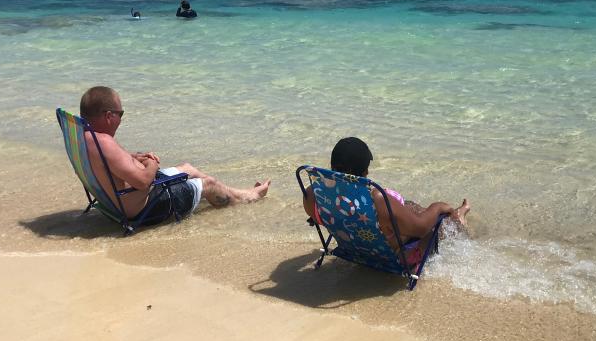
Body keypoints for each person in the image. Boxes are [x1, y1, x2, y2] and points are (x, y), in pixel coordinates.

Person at [79, 86, 269, 224]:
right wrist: (151, 163)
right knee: (209, 184)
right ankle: (247, 198)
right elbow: (143, 182)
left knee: (188, 168)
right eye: (121, 114)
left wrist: (135, 157)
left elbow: (111, 161)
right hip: (142, 207)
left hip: (120, 200)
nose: (121, 119)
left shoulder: (86, 137)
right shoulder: (104, 143)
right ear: (109, 116)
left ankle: (243, 194)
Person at [302, 137, 469, 264]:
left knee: (408, 205)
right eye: (367, 166)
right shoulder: (377, 199)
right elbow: (420, 229)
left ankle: (452, 213)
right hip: (389, 254)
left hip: (355, 247)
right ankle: (457, 217)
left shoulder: (314, 194)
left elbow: (322, 219)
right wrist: (438, 207)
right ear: (359, 170)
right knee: (437, 224)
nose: (368, 171)